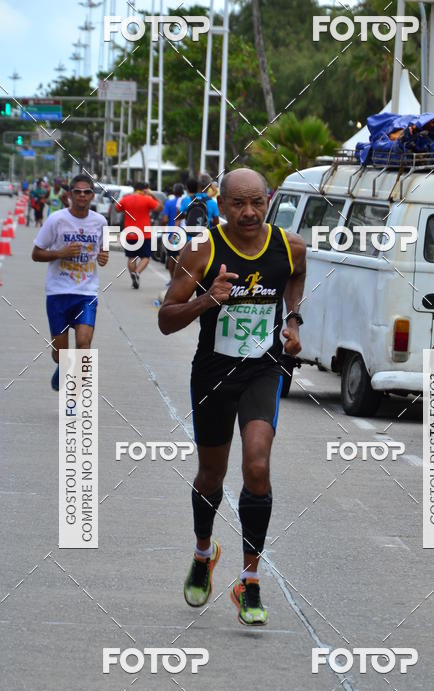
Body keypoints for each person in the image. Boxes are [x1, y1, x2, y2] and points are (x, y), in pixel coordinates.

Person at [158, 168, 306, 626]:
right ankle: (204, 551)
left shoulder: (290, 246)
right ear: (220, 205)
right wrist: (207, 300)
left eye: (257, 202)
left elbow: (296, 277)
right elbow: (166, 319)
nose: (248, 212)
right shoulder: (201, 250)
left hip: (263, 369)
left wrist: (293, 321)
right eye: (238, 204)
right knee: (210, 475)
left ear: (268, 201)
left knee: (257, 465)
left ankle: (249, 580)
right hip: (215, 372)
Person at [32, 173, 109, 391]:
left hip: (86, 293)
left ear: (92, 196)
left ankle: (75, 398)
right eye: (78, 192)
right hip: (58, 292)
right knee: (60, 353)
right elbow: (36, 254)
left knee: (84, 344)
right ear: (70, 195)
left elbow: (103, 253)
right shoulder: (56, 219)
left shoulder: (102, 221)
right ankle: (62, 366)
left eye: (87, 192)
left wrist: (104, 257)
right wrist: (61, 253)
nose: (82, 196)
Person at [116, 181, 161, 288]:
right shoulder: (147, 199)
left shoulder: (126, 199)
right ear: (145, 189)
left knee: (131, 257)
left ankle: (133, 278)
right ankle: (137, 273)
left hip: (129, 233)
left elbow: (116, 209)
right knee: (146, 257)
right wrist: (152, 195)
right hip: (144, 234)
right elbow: (159, 208)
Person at [161, 182, 185, 280]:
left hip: (172, 233)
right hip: (184, 233)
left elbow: (165, 219)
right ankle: (179, 278)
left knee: (172, 256)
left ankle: (172, 279)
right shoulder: (186, 201)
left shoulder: (169, 203)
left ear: (174, 192)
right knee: (181, 256)